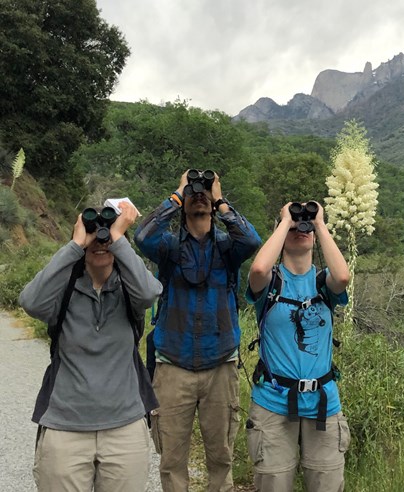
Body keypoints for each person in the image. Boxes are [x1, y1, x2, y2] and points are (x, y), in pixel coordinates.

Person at [19, 201, 162, 492]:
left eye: (108, 232)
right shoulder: (65, 289)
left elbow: (150, 294)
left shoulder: (129, 290)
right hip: (64, 425)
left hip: (125, 425)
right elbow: (30, 302)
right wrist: (75, 244)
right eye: (94, 232)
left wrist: (119, 238)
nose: (101, 239)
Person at [134, 169, 261, 492]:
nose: (199, 194)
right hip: (172, 364)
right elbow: (141, 237)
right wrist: (178, 194)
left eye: (204, 190)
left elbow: (252, 240)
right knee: (172, 460)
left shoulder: (227, 248)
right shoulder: (167, 247)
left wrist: (220, 199)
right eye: (194, 190)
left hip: (220, 364)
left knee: (221, 456)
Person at [245, 201, 351, 492]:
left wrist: (319, 223)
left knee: (326, 484)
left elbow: (342, 276)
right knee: (274, 483)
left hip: (323, 403)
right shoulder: (271, 283)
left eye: (305, 228)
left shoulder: (323, 282)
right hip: (273, 401)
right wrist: (285, 221)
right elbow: (258, 268)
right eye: (293, 227)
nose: (299, 230)